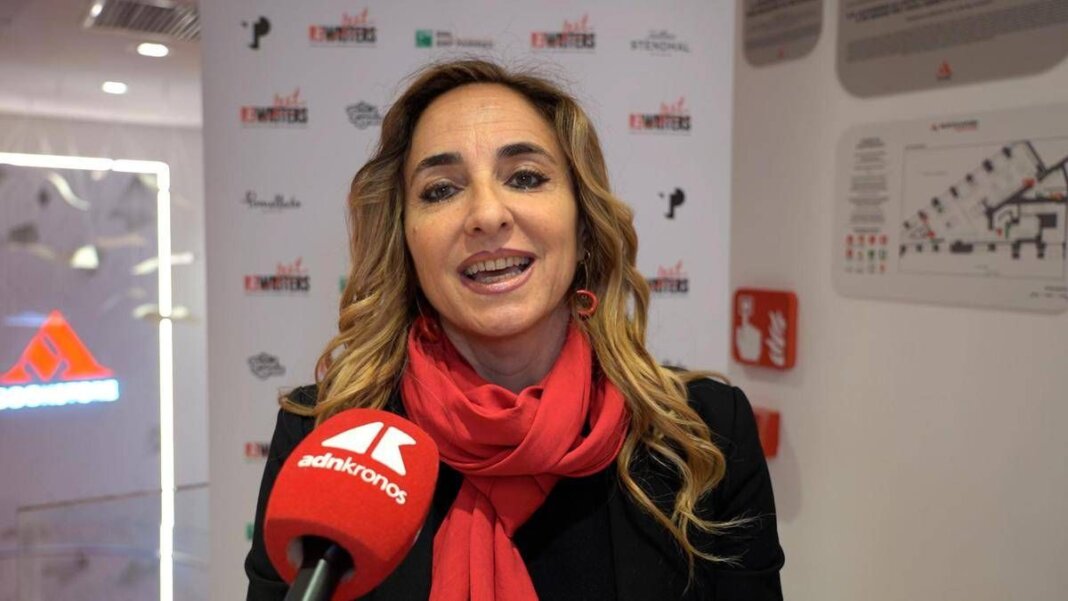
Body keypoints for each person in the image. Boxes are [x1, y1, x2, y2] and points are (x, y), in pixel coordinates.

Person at [245, 59, 784, 600]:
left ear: (584, 223)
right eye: (441, 190)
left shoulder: (704, 435)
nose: (486, 214)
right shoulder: (324, 439)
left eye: (525, 177)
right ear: (404, 240)